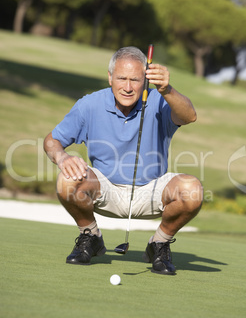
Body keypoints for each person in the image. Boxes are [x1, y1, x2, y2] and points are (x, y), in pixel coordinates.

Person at [44, 46, 203, 275]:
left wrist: (166, 89)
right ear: (110, 77)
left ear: (145, 80)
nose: (127, 87)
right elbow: (51, 140)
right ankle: (90, 236)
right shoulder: (90, 104)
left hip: (151, 190)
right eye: (121, 78)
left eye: (135, 80)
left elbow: (189, 116)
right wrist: (62, 157)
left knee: (193, 190)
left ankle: (159, 244)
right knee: (66, 180)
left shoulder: (159, 100)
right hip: (105, 189)